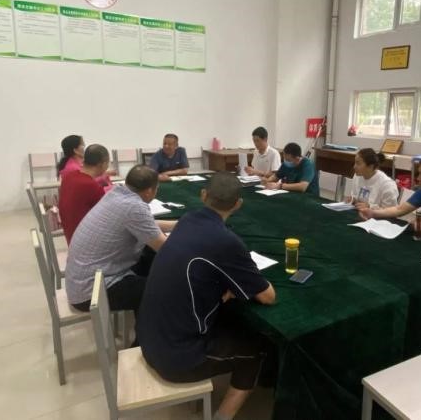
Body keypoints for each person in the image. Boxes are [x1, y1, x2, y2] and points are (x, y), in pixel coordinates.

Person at [139, 172, 276, 420]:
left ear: (203, 195)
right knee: (256, 350)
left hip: (147, 337)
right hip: (174, 357)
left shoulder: (186, 221)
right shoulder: (226, 241)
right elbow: (268, 296)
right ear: (238, 204)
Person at [65, 165, 177, 316]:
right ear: (149, 191)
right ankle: (146, 330)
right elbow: (164, 248)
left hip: (82, 280)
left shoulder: (116, 193)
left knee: (150, 260)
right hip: (91, 293)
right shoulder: (134, 207)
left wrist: (178, 224)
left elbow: (147, 225)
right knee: (162, 289)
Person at [58, 144, 110, 244]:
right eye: (108, 163)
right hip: (85, 241)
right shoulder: (90, 185)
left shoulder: (69, 176)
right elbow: (107, 215)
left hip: (71, 236)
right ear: (103, 164)